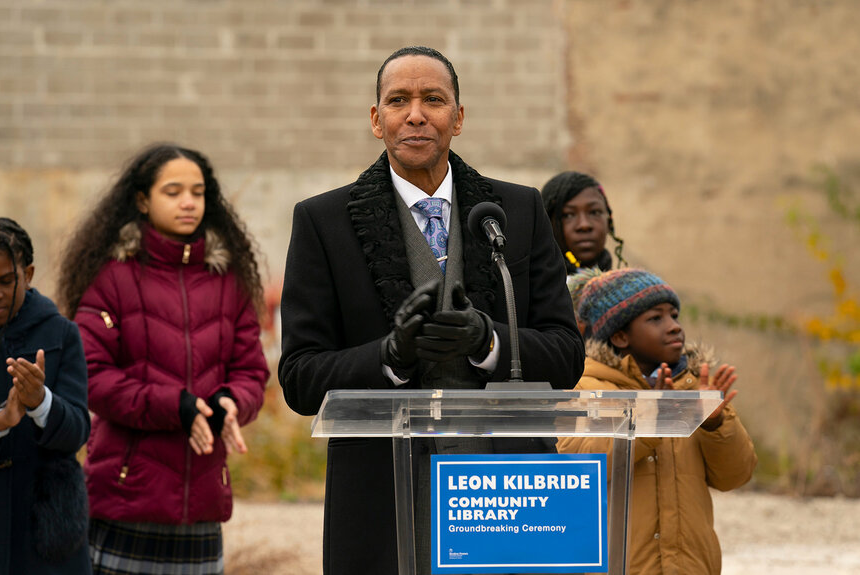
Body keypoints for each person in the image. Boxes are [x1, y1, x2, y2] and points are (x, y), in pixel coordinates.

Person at [279, 46, 583, 575]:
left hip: (508, 496)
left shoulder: (516, 211)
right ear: (377, 120)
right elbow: (300, 378)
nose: (415, 114)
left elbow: (565, 355)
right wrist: (390, 356)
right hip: (384, 502)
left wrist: (489, 343)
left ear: (458, 118)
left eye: (433, 99)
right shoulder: (322, 223)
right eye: (398, 100)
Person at [57, 144, 269, 575]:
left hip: (204, 499)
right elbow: (91, 377)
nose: (188, 202)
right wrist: (178, 406)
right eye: (172, 192)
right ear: (142, 200)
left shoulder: (229, 279)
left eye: (198, 191)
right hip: (125, 498)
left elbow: (251, 371)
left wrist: (231, 402)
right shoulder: (111, 277)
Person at [556, 268, 757, 575]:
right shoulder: (583, 389)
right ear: (620, 335)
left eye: (675, 315)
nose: (674, 327)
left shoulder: (691, 390)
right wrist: (649, 418)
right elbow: (581, 468)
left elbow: (735, 476)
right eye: (656, 318)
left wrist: (715, 423)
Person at [0, 218, 92, 575]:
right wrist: (2, 421)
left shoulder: (61, 333)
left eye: (6, 281)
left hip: (44, 533)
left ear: (29, 273)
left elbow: (78, 431)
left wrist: (41, 402)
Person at [540, 171, 625, 274]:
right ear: (547, 223)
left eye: (594, 212)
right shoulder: (533, 287)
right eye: (568, 215)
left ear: (608, 220)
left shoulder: (633, 287)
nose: (584, 225)